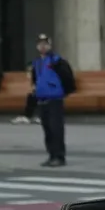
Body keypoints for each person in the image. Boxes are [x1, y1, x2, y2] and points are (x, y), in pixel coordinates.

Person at [30, 34, 75, 168]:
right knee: (47, 129)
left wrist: (61, 92)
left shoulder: (57, 61)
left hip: (55, 100)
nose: (43, 47)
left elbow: (68, 78)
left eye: (45, 44)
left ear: (50, 46)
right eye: (40, 44)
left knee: (56, 128)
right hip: (42, 99)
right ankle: (51, 155)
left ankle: (59, 156)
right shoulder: (37, 63)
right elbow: (35, 79)